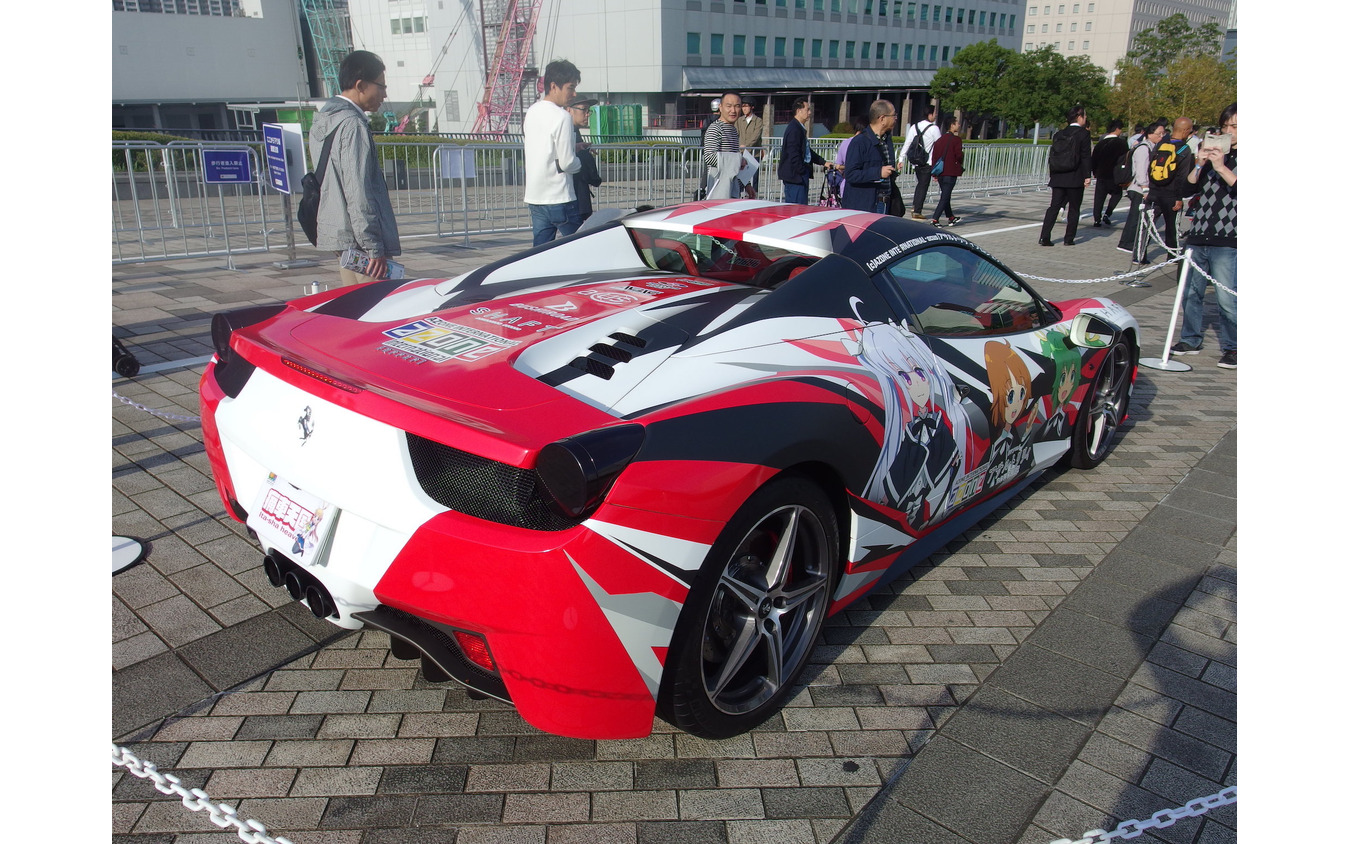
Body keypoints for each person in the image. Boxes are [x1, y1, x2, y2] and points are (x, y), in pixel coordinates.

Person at [308, 50, 402, 285]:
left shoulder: (324, 119)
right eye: (381, 86)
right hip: (361, 241)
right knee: (378, 309)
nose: (384, 93)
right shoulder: (353, 125)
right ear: (360, 85)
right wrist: (373, 247)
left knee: (355, 306)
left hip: (341, 235)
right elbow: (358, 190)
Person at [1170, 103, 1237, 369]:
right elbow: (1187, 188)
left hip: (1229, 237)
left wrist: (1221, 166)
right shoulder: (1212, 157)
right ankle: (1191, 338)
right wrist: (1200, 163)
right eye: (1225, 126)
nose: (1229, 131)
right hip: (1199, 232)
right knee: (1191, 292)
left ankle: (1233, 346)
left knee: (1227, 297)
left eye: (1235, 127)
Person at [523, 59, 583, 246]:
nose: (574, 94)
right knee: (582, 248)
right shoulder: (562, 116)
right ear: (553, 86)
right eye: (570, 88)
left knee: (539, 253)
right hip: (560, 197)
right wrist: (579, 163)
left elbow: (544, 149)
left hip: (536, 196)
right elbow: (567, 163)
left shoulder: (532, 111)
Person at [1037, 105, 1093, 247]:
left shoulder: (1059, 134)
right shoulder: (1083, 134)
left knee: (1054, 207)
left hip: (1058, 176)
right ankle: (1069, 239)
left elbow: (1054, 155)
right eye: (1084, 116)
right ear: (1079, 117)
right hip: (1075, 176)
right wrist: (1087, 175)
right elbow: (1086, 156)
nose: (1085, 119)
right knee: (1074, 208)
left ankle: (1044, 236)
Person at [1117, 120, 1167, 265]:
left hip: (1143, 188)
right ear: (1150, 133)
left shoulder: (1152, 147)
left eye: (1163, 133)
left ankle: (1132, 245)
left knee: (1139, 219)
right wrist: (1145, 188)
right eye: (1159, 133)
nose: (1161, 136)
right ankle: (1129, 245)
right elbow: (1141, 171)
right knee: (1137, 219)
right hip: (1139, 189)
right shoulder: (1144, 148)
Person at [1147, 116, 1195, 253]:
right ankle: (1172, 255)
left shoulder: (1160, 144)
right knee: (1172, 226)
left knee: (1148, 225)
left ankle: (1139, 253)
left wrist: (1150, 189)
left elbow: (1150, 167)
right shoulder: (1184, 149)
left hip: (1154, 192)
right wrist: (1179, 198)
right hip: (1171, 195)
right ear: (1185, 131)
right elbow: (1182, 176)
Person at [842, 100, 899, 214]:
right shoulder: (860, 142)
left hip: (885, 202)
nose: (896, 118)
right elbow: (851, 174)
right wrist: (878, 173)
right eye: (893, 115)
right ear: (882, 118)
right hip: (865, 205)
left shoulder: (886, 140)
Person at [778, 97, 828, 205]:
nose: (810, 113)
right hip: (796, 177)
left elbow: (806, 151)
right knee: (796, 209)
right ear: (799, 111)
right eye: (807, 109)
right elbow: (793, 154)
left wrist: (823, 162)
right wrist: (801, 170)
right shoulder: (794, 129)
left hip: (799, 176)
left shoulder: (799, 128)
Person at [898, 105, 941, 221]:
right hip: (927, 162)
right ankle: (917, 210)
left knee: (920, 184)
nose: (936, 115)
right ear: (930, 114)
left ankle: (915, 207)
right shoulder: (934, 128)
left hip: (916, 161)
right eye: (935, 113)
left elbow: (907, 143)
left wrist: (901, 159)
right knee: (923, 186)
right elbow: (940, 146)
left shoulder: (914, 127)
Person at [704, 92, 746, 199]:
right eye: (729, 106)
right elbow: (709, 157)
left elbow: (735, 166)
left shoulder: (733, 130)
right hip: (718, 189)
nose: (733, 110)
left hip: (732, 188)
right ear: (720, 107)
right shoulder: (715, 128)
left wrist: (747, 185)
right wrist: (739, 160)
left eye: (737, 106)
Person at [567, 96, 602, 225]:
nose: (587, 114)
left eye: (589, 111)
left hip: (576, 195)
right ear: (569, 110)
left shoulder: (574, 131)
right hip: (575, 196)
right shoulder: (567, 131)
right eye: (584, 110)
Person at [927, 115, 964, 226]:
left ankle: (951, 217)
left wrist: (934, 173)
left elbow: (934, 157)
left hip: (941, 172)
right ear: (952, 125)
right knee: (945, 196)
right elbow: (959, 156)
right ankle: (935, 219)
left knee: (945, 194)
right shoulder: (956, 140)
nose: (959, 125)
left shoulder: (939, 141)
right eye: (957, 123)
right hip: (951, 172)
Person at [1090, 119, 1128, 227]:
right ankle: (1107, 213)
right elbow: (1125, 159)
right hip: (1115, 175)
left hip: (1101, 174)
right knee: (1117, 194)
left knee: (1099, 197)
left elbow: (1094, 159)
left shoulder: (1100, 144)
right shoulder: (1121, 144)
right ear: (1117, 129)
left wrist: (1094, 172)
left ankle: (1097, 219)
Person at [834, 115, 868, 201]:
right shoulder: (865, 143)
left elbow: (838, 166)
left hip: (845, 185)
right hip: (861, 188)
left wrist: (846, 168)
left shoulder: (845, 143)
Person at [737, 99, 766, 193]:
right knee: (741, 179)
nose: (744, 109)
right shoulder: (739, 120)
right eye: (743, 106)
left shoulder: (758, 121)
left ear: (752, 107)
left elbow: (756, 136)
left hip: (754, 153)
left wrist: (746, 145)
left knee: (754, 179)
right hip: (741, 153)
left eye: (746, 106)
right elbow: (735, 133)